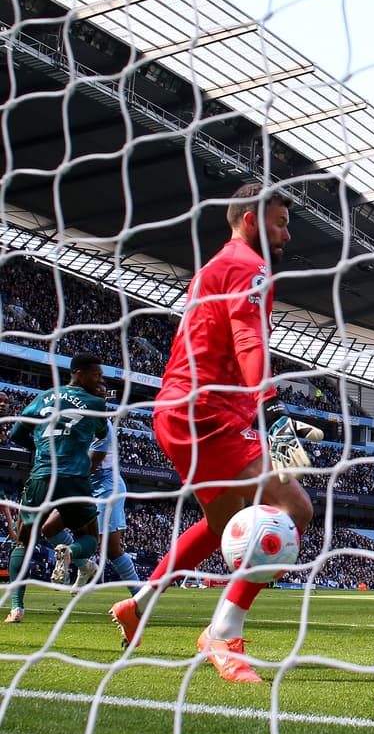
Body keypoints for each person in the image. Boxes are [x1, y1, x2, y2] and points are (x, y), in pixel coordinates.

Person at [107, 184, 320, 682]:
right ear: (249, 220)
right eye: (280, 223)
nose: (286, 236)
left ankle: (138, 602)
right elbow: (248, 342)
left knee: (222, 522)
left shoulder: (216, 266)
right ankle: (222, 634)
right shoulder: (251, 266)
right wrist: (272, 412)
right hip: (210, 415)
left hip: (183, 412)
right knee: (297, 509)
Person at [5, 354, 109, 624]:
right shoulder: (96, 403)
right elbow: (99, 434)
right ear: (79, 372)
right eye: (96, 375)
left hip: (41, 476)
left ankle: (16, 608)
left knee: (23, 541)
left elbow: (15, 435)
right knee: (90, 537)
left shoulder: (43, 397)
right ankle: (72, 553)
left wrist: (41, 449)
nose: (100, 380)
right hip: (74, 477)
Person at [42, 388, 142, 595]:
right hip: (81, 485)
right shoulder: (73, 425)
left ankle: (139, 595)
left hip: (106, 487)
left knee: (109, 548)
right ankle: (85, 566)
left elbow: (89, 466)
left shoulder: (102, 427)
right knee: (50, 528)